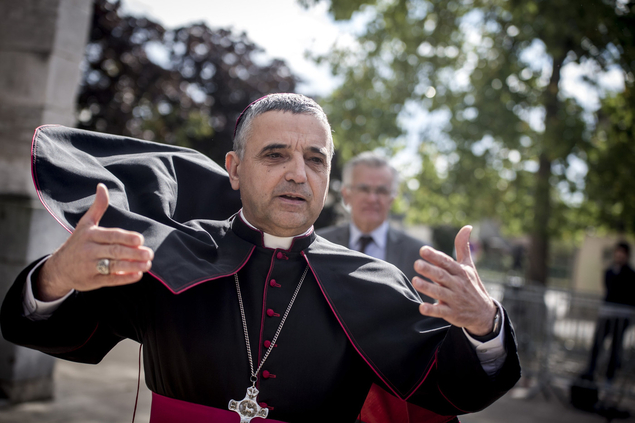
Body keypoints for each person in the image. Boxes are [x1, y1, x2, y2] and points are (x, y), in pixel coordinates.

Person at [1, 94, 520, 423]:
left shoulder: (375, 281)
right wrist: (55, 278)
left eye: (315, 159)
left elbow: (446, 388)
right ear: (234, 168)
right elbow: (46, 329)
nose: (298, 173)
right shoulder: (170, 252)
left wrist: (484, 326)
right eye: (276, 155)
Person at [318, 152, 429, 294]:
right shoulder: (319, 245)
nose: (372, 198)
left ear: (393, 198)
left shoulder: (418, 255)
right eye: (363, 189)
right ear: (346, 195)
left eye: (382, 191)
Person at [583, 242, 635, 382]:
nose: (619, 255)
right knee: (597, 344)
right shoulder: (609, 271)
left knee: (615, 349)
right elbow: (609, 290)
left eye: (622, 252)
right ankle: (590, 373)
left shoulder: (630, 274)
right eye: (617, 252)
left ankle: (609, 379)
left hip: (621, 316)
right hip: (606, 314)